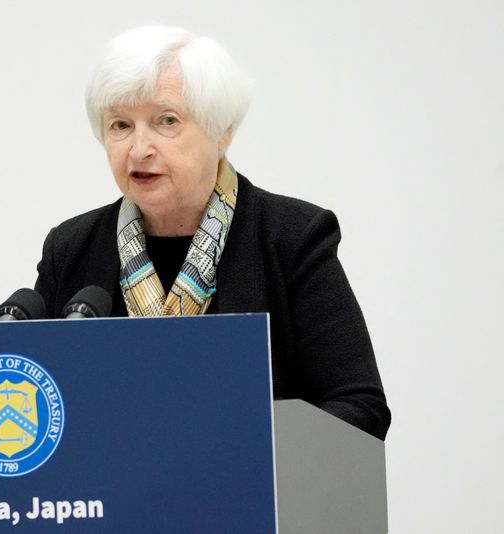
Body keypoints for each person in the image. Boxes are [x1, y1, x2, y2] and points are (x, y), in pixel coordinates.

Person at [34, 26, 390, 440]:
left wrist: (240, 444)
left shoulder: (291, 238)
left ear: (222, 131)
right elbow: (43, 402)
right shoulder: (71, 248)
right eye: (120, 125)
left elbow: (360, 406)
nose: (138, 149)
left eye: (166, 121)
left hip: (254, 497)